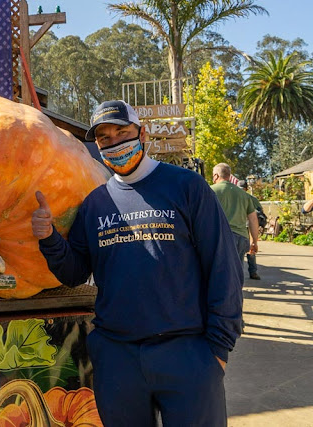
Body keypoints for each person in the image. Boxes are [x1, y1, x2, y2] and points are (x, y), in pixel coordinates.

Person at [32, 100, 243, 426]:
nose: (115, 143)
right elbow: (74, 272)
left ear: (142, 134)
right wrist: (48, 238)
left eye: (122, 132)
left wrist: (218, 350)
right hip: (118, 358)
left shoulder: (187, 187)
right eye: (104, 138)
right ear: (97, 145)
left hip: (188, 353)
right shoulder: (95, 204)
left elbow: (223, 267)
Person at [211, 164, 259, 272]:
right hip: (241, 237)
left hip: (221, 236)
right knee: (237, 270)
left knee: (220, 270)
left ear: (216, 176)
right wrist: (254, 241)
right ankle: (236, 288)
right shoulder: (243, 194)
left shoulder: (210, 191)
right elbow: (253, 219)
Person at [238, 180, 263, 280]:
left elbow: (259, 212)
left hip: (245, 226)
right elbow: (260, 212)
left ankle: (251, 272)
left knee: (248, 250)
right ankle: (253, 272)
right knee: (250, 250)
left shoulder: (237, 197)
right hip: (247, 226)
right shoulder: (251, 198)